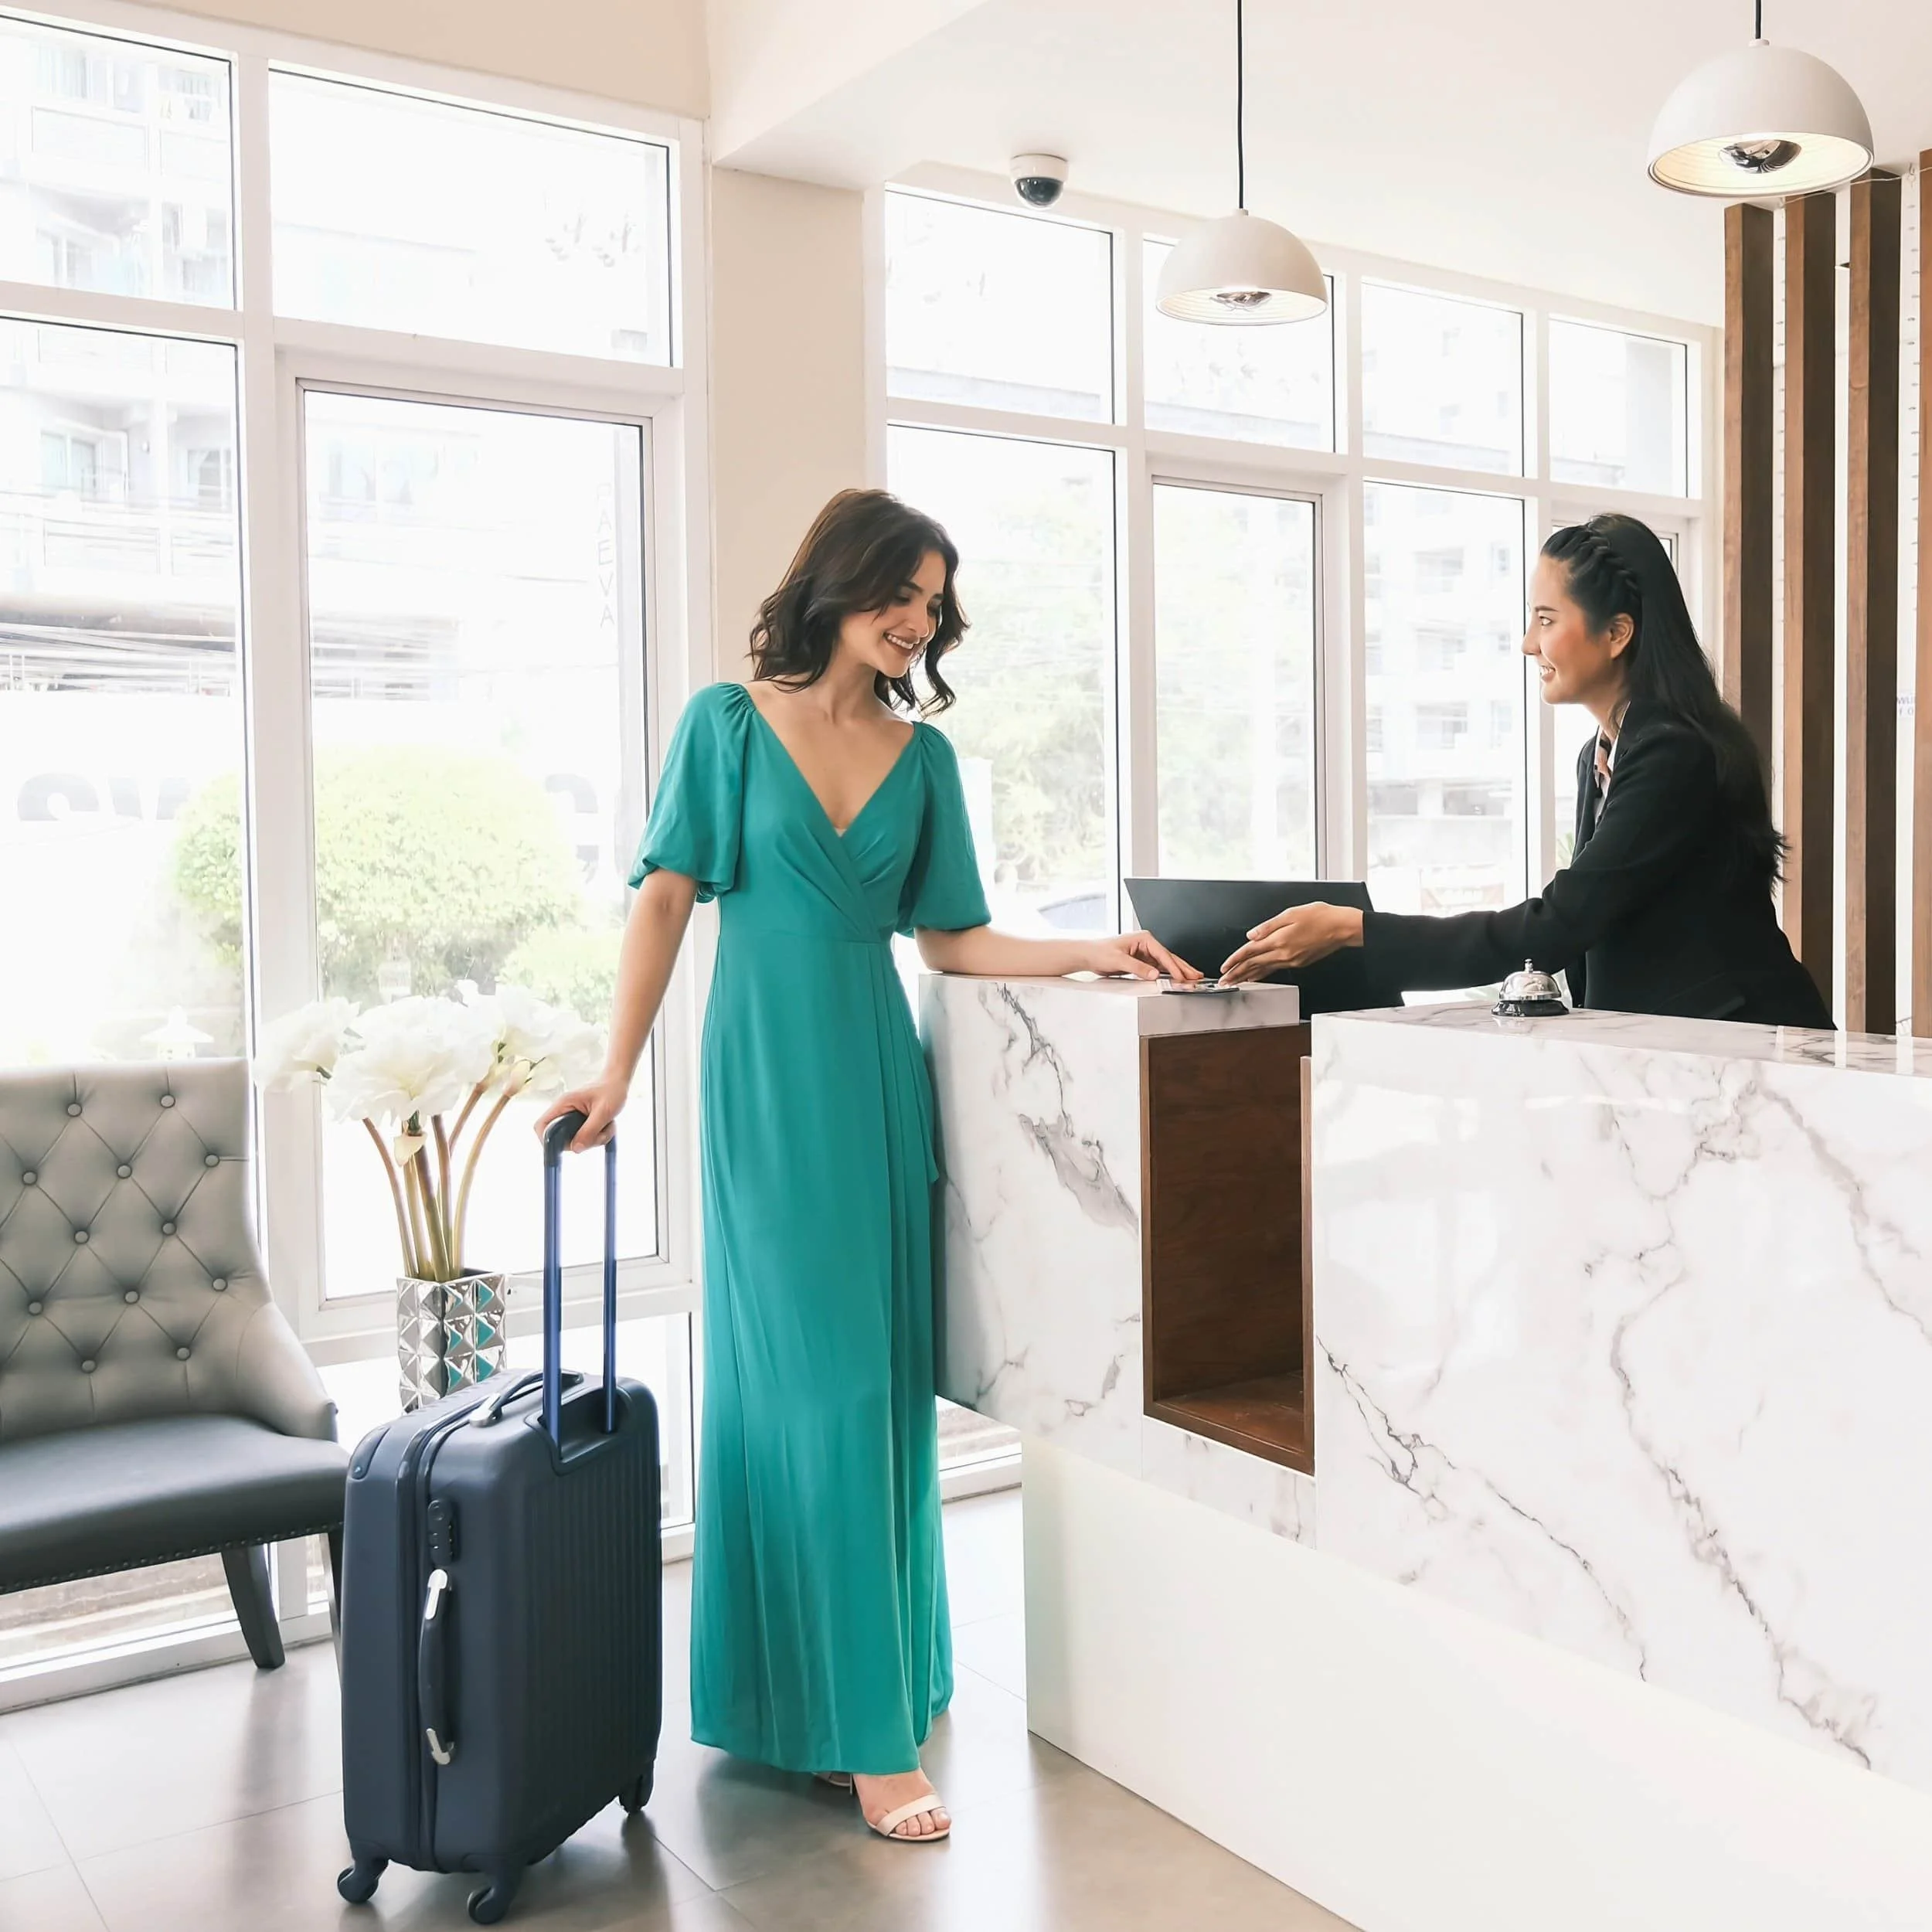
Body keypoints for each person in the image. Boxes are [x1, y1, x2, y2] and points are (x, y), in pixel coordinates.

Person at [540, 488, 1197, 1845]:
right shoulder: (727, 727)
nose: (918, 622)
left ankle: (861, 1681)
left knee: (869, 1391)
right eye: (902, 593)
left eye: (935, 603)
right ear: (839, 584)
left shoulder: (925, 759)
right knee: (804, 1388)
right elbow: (663, 896)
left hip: (871, 1080)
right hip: (764, 1085)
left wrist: (1091, 948)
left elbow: (952, 941)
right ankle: (854, 1729)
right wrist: (618, 1073)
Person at [1219, 512, 1832, 1030]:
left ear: (1617, 633)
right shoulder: (1603, 752)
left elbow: (1563, 924)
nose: (1527, 644)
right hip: (1676, 1050)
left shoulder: (1674, 751)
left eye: (1546, 620)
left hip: (1748, 1046)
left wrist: (1357, 930)